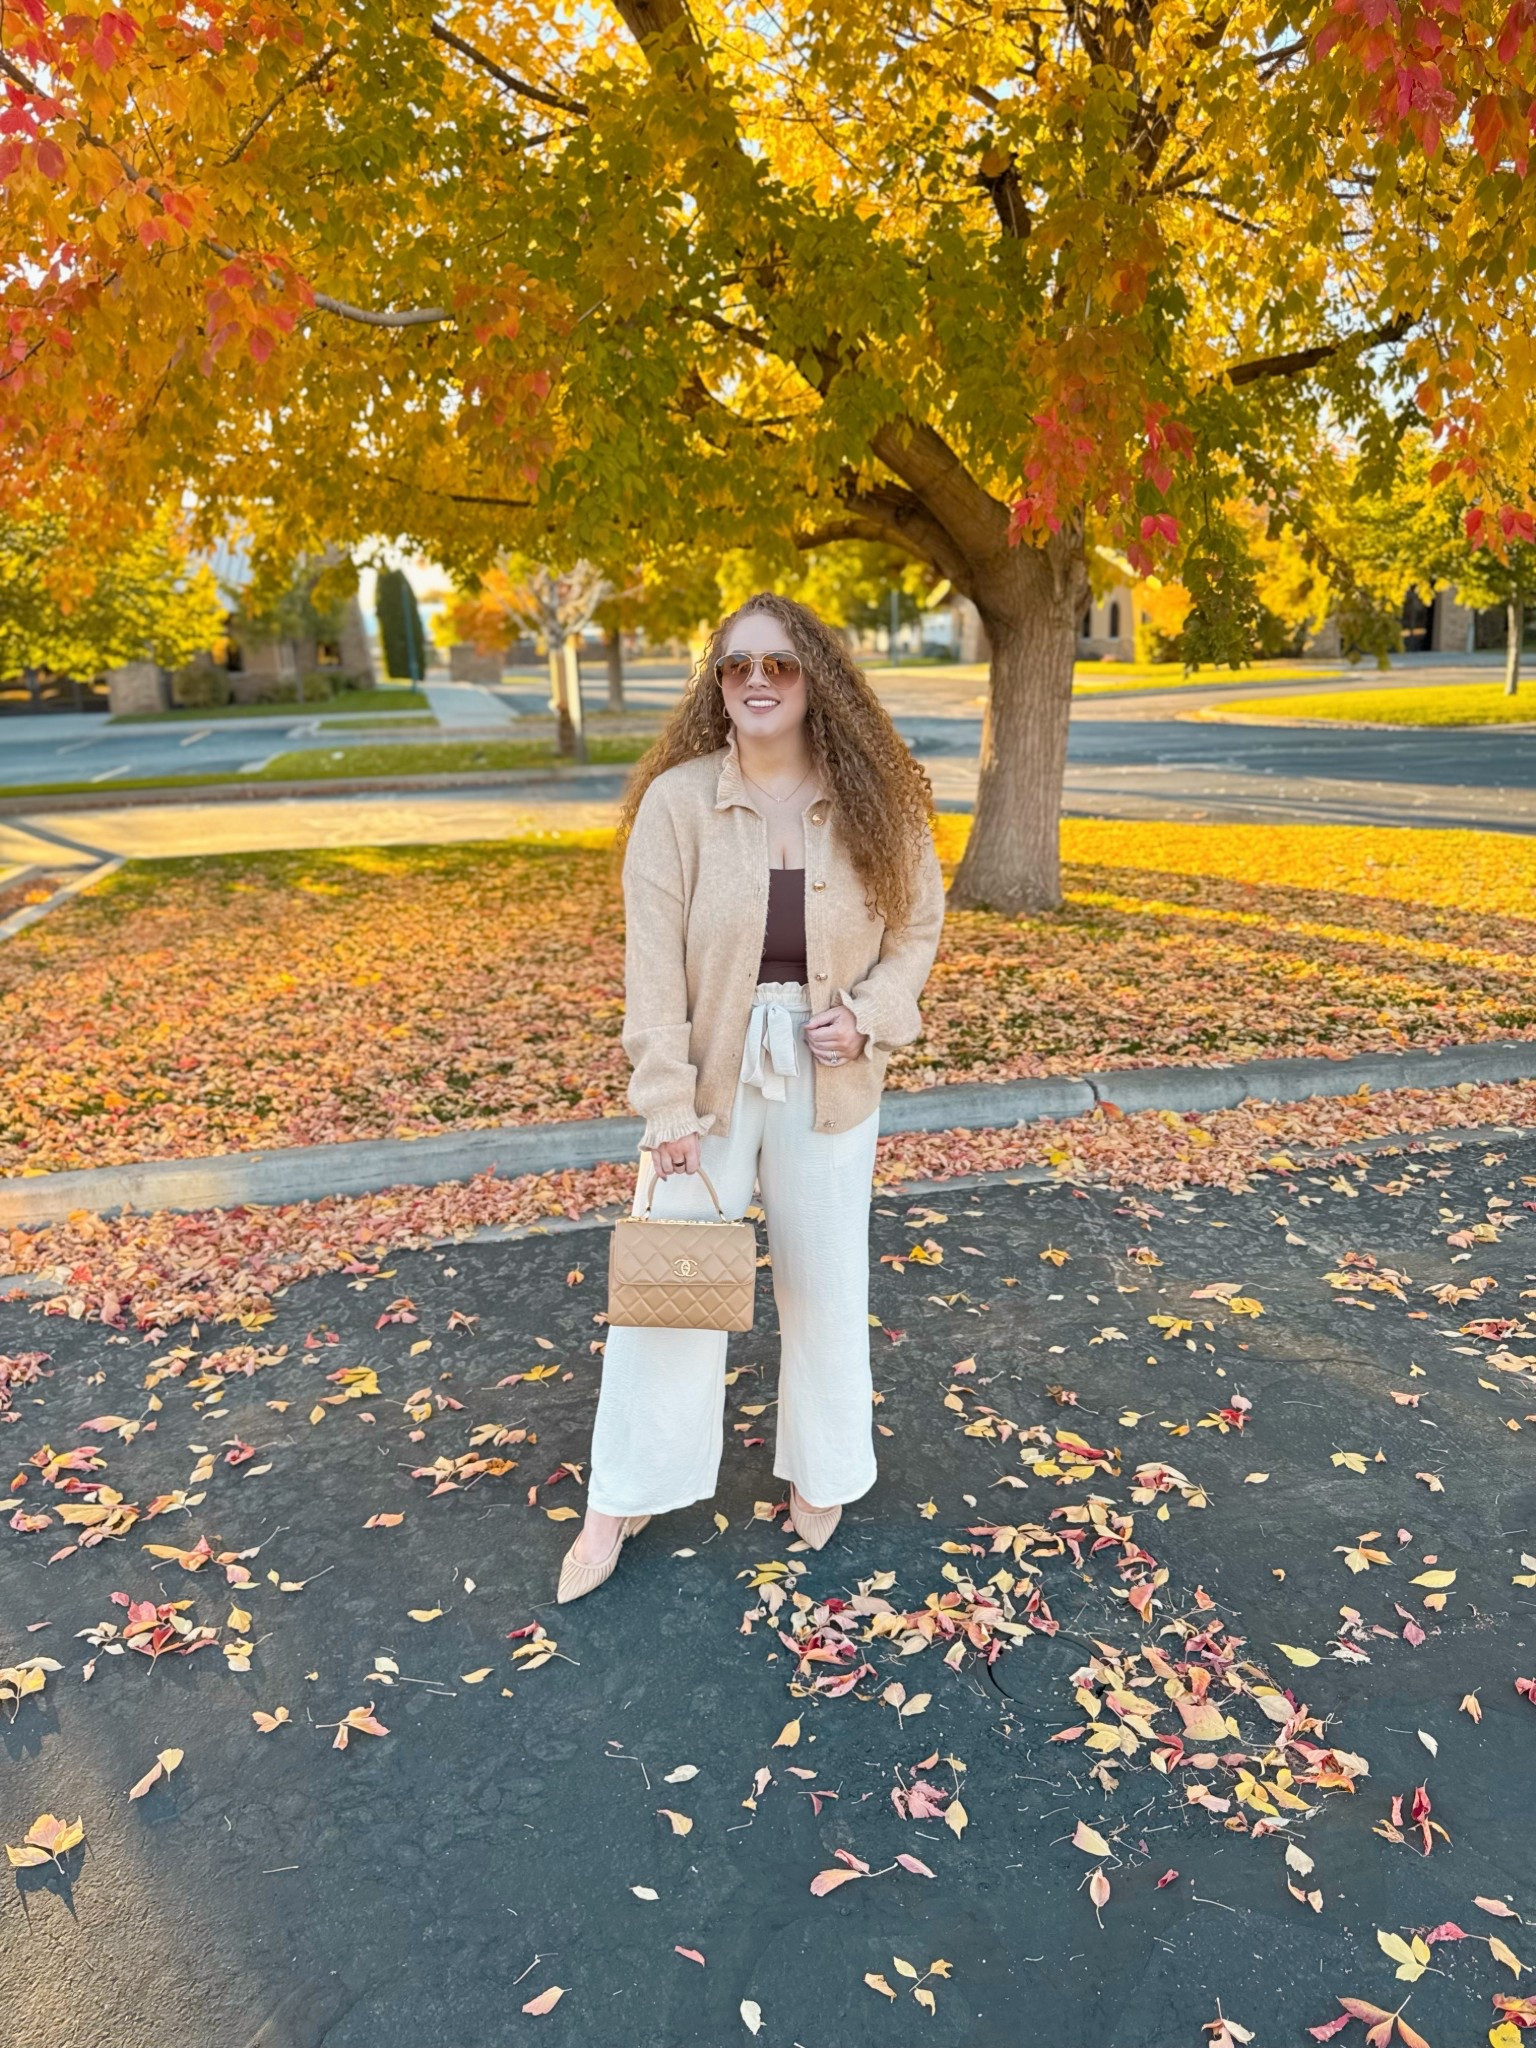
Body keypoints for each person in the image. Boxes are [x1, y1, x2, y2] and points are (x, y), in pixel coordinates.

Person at [557, 592, 947, 1602]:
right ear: (717, 686)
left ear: (818, 676)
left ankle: (822, 1471)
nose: (759, 680)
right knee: (670, 1293)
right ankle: (623, 1495)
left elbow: (917, 932)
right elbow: (651, 975)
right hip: (708, 1083)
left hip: (830, 1077)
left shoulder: (880, 801)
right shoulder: (678, 804)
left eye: (780, 663)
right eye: (737, 667)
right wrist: (667, 1111)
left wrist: (868, 1013)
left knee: (823, 1285)